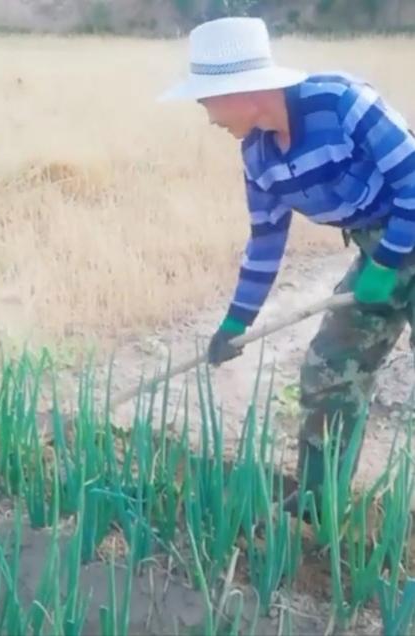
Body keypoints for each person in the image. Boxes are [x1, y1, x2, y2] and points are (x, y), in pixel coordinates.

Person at [159, 17, 415, 517]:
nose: (206, 115)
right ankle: (320, 503)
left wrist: (387, 262)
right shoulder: (257, 155)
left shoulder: (342, 103)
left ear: (244, 91)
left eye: (208, 99)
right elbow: (266, 240)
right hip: (376, 248)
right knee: (329, 371)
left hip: (398, 239)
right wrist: (237, 320)